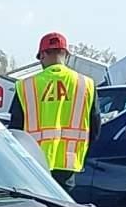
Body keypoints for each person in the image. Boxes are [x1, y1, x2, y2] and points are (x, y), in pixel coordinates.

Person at [15, 31, 97, 190]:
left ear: (43, 54)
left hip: (34, 161)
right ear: (66, 54)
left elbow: (15, 128)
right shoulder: (86, 84)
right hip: (69, 161)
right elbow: (95, 127)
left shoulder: (26, 86)